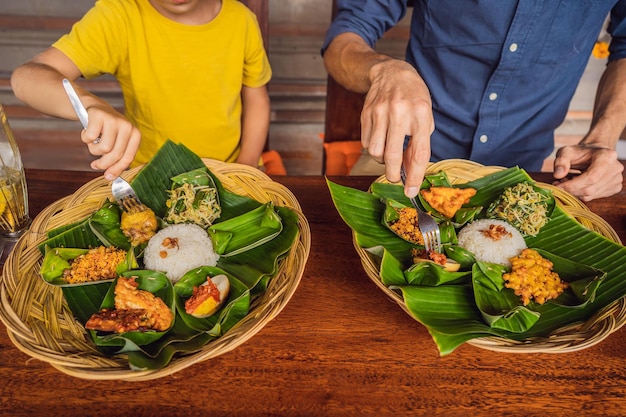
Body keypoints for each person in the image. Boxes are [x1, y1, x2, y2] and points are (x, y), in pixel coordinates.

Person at [322, 0, 626, 201]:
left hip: (521, 176)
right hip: (401, 161)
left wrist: (602, 139)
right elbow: (345, 37)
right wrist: (384, 70)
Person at [11, 0, 271, 181]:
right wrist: (90, 103)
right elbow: (26, 77)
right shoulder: (119, 15)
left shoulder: (242, 19)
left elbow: (256, 98)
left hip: (230, 169)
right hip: (150, 177)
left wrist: (246, 166)